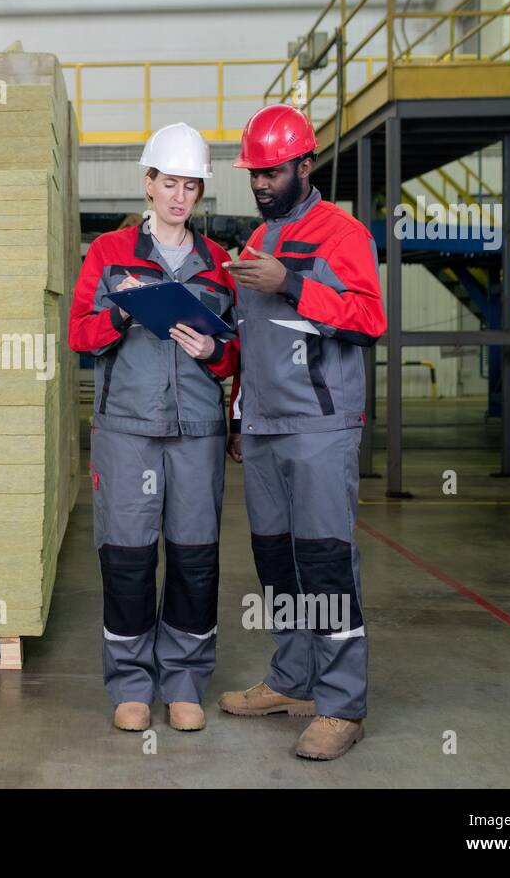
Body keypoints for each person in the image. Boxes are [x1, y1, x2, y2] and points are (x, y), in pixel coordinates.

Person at [217, 103, 386, 760]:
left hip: (320, 426)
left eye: (272, 171)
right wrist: (238, 413)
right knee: (277, 565)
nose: (261, 183)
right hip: (261, 427)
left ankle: (342, 704)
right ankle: (294, 679)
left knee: (324, 564)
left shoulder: (341, 233)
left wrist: (291, 282)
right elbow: (251, 337)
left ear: (304, 164)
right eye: (254, 172)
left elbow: (367, 318)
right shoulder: (258, 242)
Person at [68, 122, 240, 733]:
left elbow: (233, 358)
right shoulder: (109, 256)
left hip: (197, 431)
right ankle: (132, 683)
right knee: (128, 559)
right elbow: (78, 335)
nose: (179, 197)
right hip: (127, 432)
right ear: (147, 183)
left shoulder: (217, 264)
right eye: (169, 183)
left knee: (195, 559)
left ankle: (186, 681)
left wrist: (209, 354)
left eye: (191, 187)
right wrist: (120, 311)